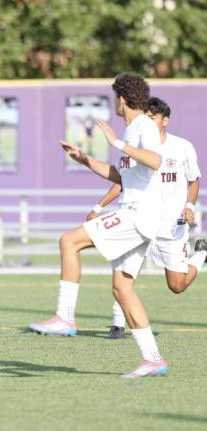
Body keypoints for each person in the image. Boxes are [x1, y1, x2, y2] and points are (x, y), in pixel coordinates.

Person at [28, 73, 169, 378]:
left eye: (113, 97)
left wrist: (116, 142)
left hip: (138, 214)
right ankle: (153, 358)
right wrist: (84, 159)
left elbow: (156, 161)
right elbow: (121, 176)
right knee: (122, 288)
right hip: (141, 217)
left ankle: (65, 317)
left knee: (69, 241)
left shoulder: (142, 125)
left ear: (121, 99)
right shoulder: (134, 130)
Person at [85, 97, 206, 339]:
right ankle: (118, 323)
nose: (148, 122)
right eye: (145, 117)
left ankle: (202, 253)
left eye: (153, 118)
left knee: (177, 286)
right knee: (124, 272)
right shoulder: (136, 147)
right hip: (140, 220)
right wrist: (99, 205)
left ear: (165, 120)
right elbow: (122, 180)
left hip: (172, 227)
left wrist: (190, 205)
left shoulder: (182, 147)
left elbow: (194, 180)